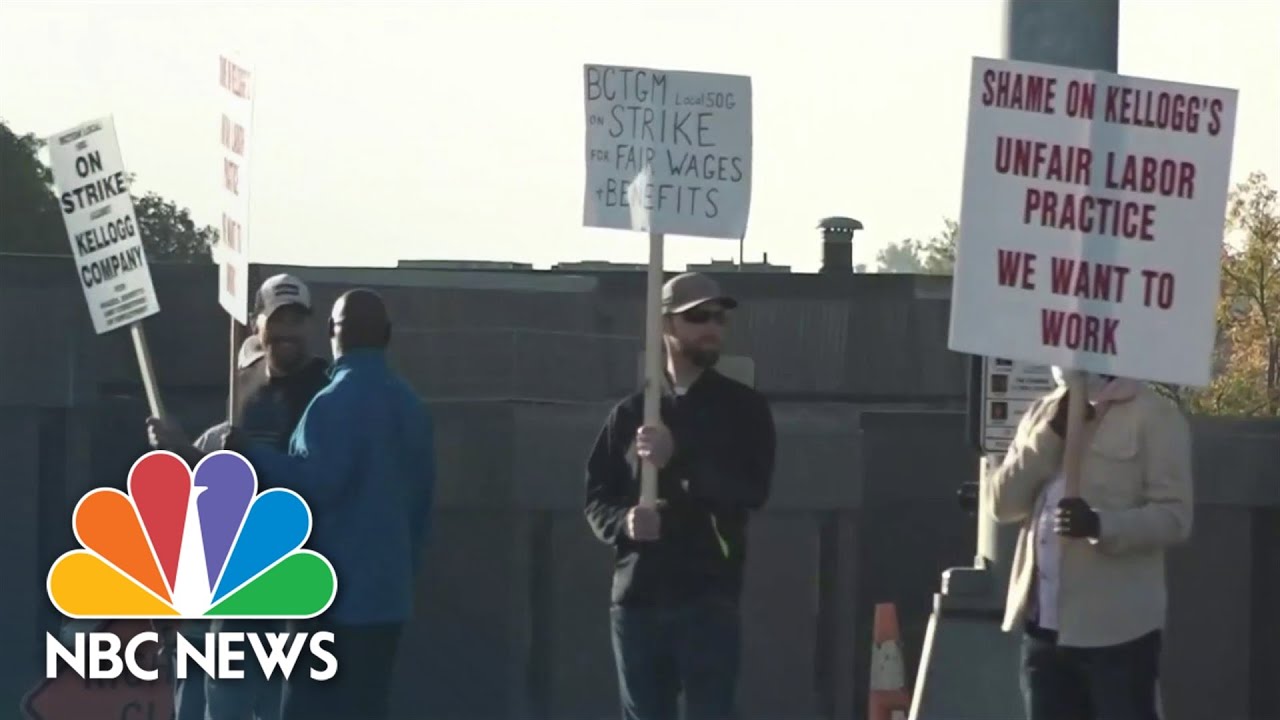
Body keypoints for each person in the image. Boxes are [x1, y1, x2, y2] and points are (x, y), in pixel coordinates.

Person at [222, 288, 436, 720]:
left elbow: (315, 484)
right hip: (388, 598)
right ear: (388, 335)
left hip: (330, 600)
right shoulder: (410, 404)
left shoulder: (331, 403)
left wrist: (250, 453)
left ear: (331, 334)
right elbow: (421, 500)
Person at [584, 272, 776, 720]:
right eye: (698, 317)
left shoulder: (743, 409)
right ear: (666, 327)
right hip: (637, 603)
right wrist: (625, 522)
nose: (712, 327)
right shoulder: (631, 413)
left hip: (707, 598)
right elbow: (597, 497)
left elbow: (751, 489)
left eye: (719, 317)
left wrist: (681, 458)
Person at [147, 273, 331, 720]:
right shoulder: (243, 390)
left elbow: (320, 477)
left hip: (300, 574)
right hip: (236, 575)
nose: (287, 331)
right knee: (221, 700)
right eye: (277, 319)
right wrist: (182, 450)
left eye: (297, 319)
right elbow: (225, 473)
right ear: (256, 324)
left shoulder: (327, 388)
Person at [984, 368, 1193, 720]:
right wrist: (1051, 435)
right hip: (1044, 633)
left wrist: (1100, 523)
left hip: (1117, 635)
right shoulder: (1043, 411)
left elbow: (1175, 518)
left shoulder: (1155, 417)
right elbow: (1002, 505)